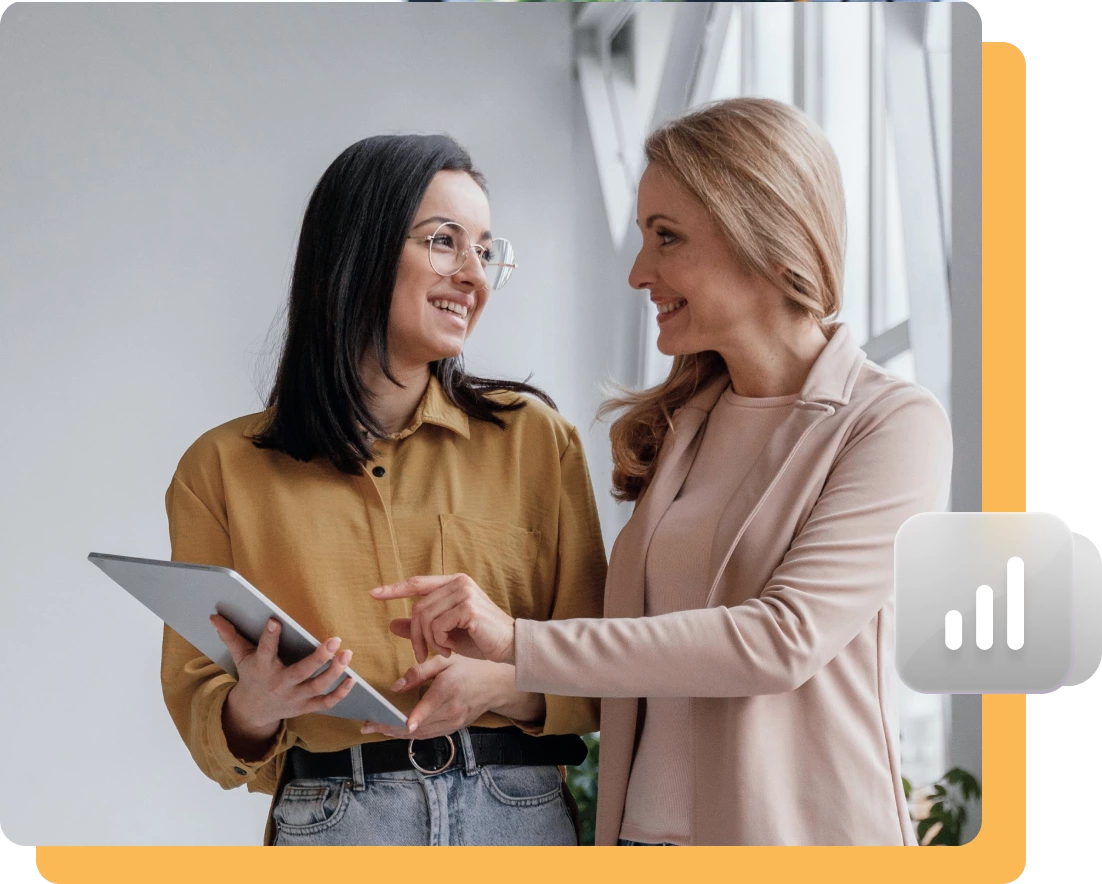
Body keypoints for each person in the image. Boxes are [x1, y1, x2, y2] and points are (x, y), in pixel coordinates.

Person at [372, 98, 954, 847]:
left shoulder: (891, 423)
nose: (639, 273)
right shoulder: (683, 423)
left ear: (767, 240)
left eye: (666, 237)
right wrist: (506, 680)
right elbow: (642, 644)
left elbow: (778, 641)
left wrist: (518, 640)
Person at [160, 134, 607, 846]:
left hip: (515, 813)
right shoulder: (219, 470)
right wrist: (256, 704)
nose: (473, 275)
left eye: (486, 251)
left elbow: (605, 667)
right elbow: (204, 713)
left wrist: (501, 685)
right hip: (335, 820)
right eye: (444, 242)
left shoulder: (538, 443)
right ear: (359, 249)